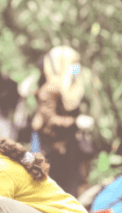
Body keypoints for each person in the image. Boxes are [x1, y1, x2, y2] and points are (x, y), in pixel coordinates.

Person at [31, 46, 90, 197]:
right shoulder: (49, 89)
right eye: (72, 63)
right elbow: (50, 120)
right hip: (54, 148)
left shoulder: (70, 88)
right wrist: (76, 122)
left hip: (68, 147)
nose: (76, 68)